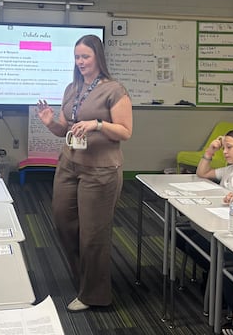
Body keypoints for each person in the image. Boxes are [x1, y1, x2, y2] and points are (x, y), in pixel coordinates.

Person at [35, 34, 133, 312]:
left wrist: (98, 124)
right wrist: (50, 122)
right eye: (77, 57)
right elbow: (65, 130)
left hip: (100, 171)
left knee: (93, 235)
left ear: (98, 58)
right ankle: (84, 280)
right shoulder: (72, 88)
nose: (80, 62)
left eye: (85, 57)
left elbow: (125, 131)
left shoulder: (115, 90)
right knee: (64, 223)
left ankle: (95, 294)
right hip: (69, 163)